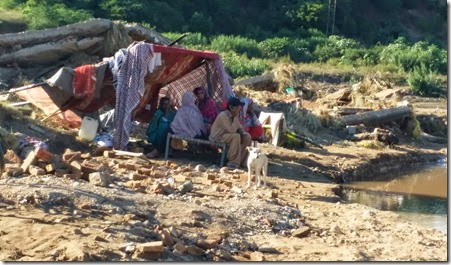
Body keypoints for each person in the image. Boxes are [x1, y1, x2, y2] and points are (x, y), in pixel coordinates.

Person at [209, 96, 251, 169]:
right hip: (217, 137)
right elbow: (231, 130)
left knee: (247, 136)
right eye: (238, 107)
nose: (240, 108)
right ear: (232, 108)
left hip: (226, 136)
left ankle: (242, 161)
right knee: (236, 136)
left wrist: (243, 134)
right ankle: (233, 162)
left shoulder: (233, 116)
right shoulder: (223, 115)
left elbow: (239, 128)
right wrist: (236, 118)